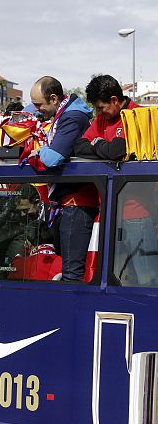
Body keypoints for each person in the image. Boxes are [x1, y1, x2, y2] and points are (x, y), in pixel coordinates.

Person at [76, 74, 154, 284]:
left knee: (147, 279)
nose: (98, 113)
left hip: (137, 216)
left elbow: (118, 151)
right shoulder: (103, 118)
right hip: (110, 215)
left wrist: (98, 144)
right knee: (122, 281)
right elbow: (79, 146)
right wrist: (103, 146)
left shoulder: (137, 115)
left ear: (114, 100)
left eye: (101, 107)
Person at [28, 75, 95, 281]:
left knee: (71, 274)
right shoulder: (63, 114)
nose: (36, 110)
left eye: (39, 105)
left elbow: (53, 158)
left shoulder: (72, 118)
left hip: (77, 204)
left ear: (55, 99)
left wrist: (38, 151)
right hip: (70, 203)